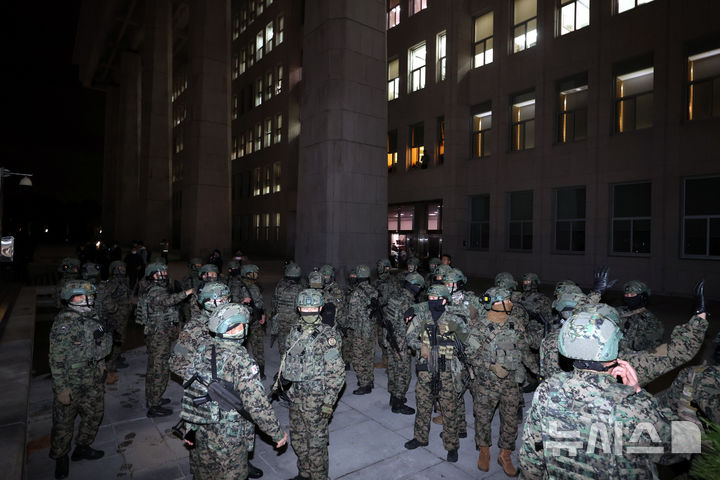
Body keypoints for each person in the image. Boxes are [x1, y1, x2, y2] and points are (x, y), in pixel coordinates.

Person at [519, 307, 675, 479]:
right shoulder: (631, 405)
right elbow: (678, 449)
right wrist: (639, 393)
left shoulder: (547, 390)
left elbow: (531, 459)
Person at [181, 303, 288, 479]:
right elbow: (257, 406)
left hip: (203, 429)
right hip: (230, 436)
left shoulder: (203, 350)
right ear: (236, 328)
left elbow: (191, 390)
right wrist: (276, 433)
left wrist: (190, 426)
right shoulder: (242, 362)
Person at [465, 287, 537, 475]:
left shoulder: (515, 323)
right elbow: (469, 355)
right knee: (482, 418)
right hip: (486, 383)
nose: (510, 303)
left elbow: (524, 351)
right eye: (506, 300)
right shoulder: (480, 327)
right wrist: (491, 366)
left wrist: (539, 372)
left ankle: (505, 453)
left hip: (511, 382)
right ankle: (484, 450)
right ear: (497, 303)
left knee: (510, 419)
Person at [279, 289, 345, 480]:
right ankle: (304, 473)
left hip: (316, 401)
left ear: (320, 308)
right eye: (305, 307)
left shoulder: (327, 336)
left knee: (316, 445)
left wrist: (328, 402)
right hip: (295, 398)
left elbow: (337, 373)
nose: (309, 311)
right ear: (299, 308)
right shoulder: (294, 331)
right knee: (298, 440)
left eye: (313, 307)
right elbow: (288, 359)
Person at [49, 280, 112, 479]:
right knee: (64, 422)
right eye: (84, 296)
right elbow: (56, 359)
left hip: (92, 377)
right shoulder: (64, 324)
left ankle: (83, 446)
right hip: (71, 380)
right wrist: (61, 388)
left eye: (91, 296)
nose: (89, 299)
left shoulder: (92, 318)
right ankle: (60, 456)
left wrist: (102, 365)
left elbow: (101, 350)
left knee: (94, 414)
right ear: (72, 299)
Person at [404, 284, 468, 462]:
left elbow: (467, 342)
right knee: (423, 405)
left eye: (436, 299)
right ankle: (420, 437)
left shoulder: (454, 320)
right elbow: (409, 337)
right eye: (430, 298)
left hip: (447, 371)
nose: (432, 302)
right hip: (426, 370)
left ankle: (452, 445)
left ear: (444, 300)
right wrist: (421, 347)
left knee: (449, 409)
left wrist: (453, 350)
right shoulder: (422, 318)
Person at [137, 262, 193, 417]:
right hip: (158, 336)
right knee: (158, 370)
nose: (164, 274)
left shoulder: (156, 288)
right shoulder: (155, 291)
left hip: (160, 334)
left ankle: (154, 398)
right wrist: (187, 292)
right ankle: (153, 405)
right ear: (153, 274)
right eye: (161, 272)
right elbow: (168, 301)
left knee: (156, 368)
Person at [382, 272, 425, 415]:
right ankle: (398, 403)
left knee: (393, 369)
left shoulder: (395, 296)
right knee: (403, 373)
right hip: (401, 342)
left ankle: (393, 397)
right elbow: (410, 326)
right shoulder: (408, 302)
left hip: (391, 338)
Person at [346, 264, 380, 394]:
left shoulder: (356, 293)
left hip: (360, 330)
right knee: (369, 355)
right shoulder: (373, 290)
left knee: (358, 357)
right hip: (371, 329)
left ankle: (364, 384)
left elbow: (352, 314)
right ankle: (369, 379)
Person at [618, 280, 663, 353]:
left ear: (642, 297)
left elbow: (652, 346)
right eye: (626, 295)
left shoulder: (650, 320)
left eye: (632, 295)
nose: (629, 297)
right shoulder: (619, 311)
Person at [270, 262, 304, 356]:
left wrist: (273, 315)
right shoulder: (301, 288)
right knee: (295, 344)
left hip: (281, 319)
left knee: (282, 344)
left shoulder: (280, 286)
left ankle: (283, 365)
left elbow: (274, 302)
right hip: (295, 321)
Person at [105, 260, 132, 374]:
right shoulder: (113, 282)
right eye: (120, 268)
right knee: (117, 339)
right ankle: (111, 363)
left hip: (123, 315)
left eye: (123, 267)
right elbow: (105, 297)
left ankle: (117, 357)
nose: (123, 270)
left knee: (120, 338)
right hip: (117, 316)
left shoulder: (123, 281)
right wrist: (114, 308)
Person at [241, 264, 266, 379]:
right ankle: (257, 372)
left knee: (249, 346)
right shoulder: (247, 286)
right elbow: (258, 304)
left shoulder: (244, 285)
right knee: (254, 346)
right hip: (249, 320)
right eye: (254, 273)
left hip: (247, 320)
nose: (257, 276)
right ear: (248, 274)